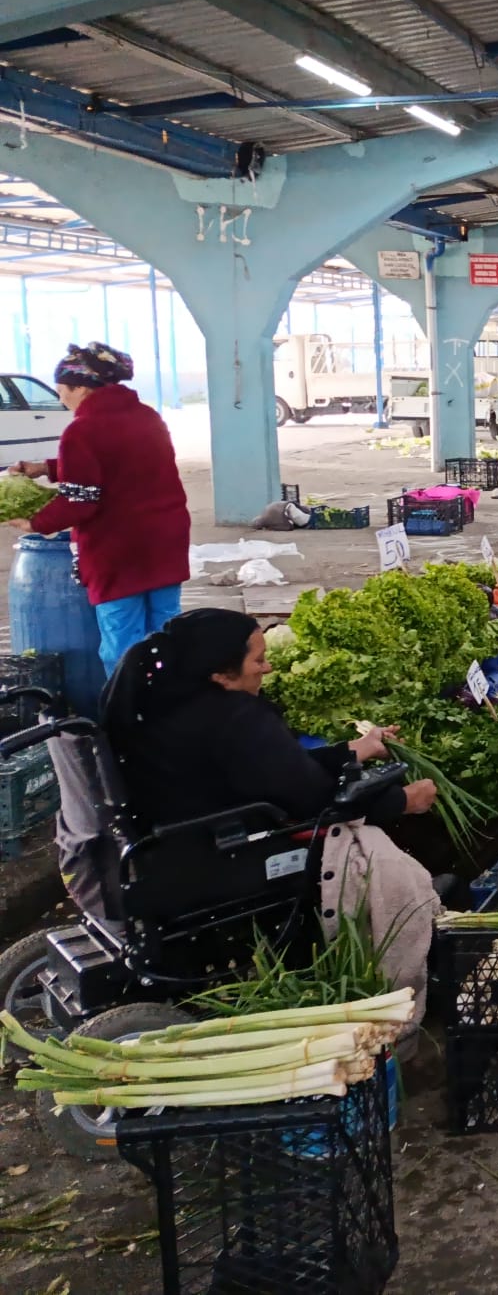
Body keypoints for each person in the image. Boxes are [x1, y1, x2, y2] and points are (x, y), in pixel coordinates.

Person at [104, 609, 443, 1014]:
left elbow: (272, 767)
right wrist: (403, 801)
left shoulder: (160, 701)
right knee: (368, 848)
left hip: (164, 848)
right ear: (222, 674)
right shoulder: (235, 717)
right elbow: (312, 801)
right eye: (258, 659)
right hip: (220, 856)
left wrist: (357, 749)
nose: (267, 667)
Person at [5, 343, 191, 682]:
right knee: (167, 632)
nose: (62, 399)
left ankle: (132, 716)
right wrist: (44, 468)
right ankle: (173, 703)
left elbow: (81, 500)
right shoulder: (147, 416)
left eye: (62, 391)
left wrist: (36, 522)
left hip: (118, 549)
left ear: (80, 388)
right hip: (165, 540)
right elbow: (120, 464)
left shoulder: (82, 430)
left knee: (123, 642)